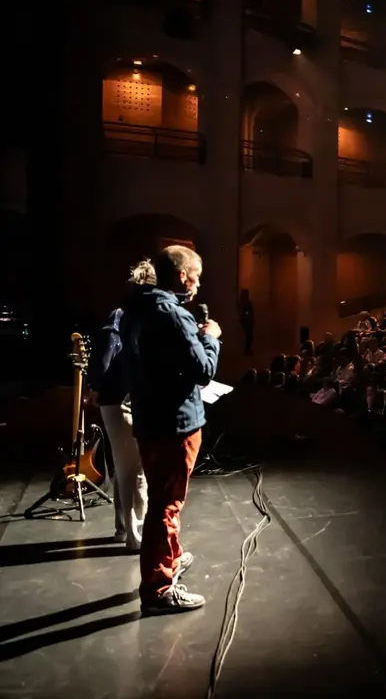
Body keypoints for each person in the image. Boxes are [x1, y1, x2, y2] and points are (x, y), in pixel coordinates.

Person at [121, 245, 221, 615]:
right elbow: (202, 371)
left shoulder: (138, 308)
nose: (198, 285)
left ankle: (172, 559)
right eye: (197, 277)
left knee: (165, 502)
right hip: (175, 424)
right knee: (167, 506)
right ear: (183, 276)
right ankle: (160, 588)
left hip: (150, 419)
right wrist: (210, 337)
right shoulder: (172, 315)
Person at [94, 259, 155, 551]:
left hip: (120, 399)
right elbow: (105, 358)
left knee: (127, 468)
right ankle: (133, 534)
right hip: (120, 400)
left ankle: (125, 529)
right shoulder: (123, 317)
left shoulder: (128, 317)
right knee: (131, 469)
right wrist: (101, 386)